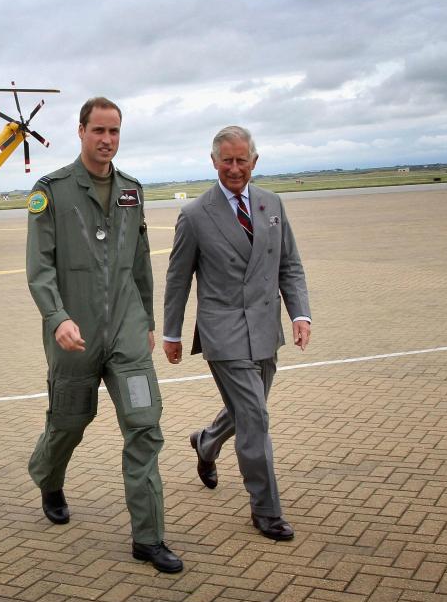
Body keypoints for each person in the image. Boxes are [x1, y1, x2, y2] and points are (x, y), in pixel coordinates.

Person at [25, 97, 182, 573]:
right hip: (73, 335)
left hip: (128, 334)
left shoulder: (132, 190)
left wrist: (149, 322)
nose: (107, 140)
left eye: (115, 131)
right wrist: (58, 318)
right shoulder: (50, 191)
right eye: (99, 130)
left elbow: (140, 265)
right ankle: (47, 476)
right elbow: (40, 267)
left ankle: (148, 537)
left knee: (144, 424)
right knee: (70, 421)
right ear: (80, 131)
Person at [162, 125, 311, 541]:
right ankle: (266, 510)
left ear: (254, 161)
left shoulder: (272, 204)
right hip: (222, 332)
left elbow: (289, 265)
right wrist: (172, 333)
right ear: (213, 162)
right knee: (256, 417)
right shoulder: (194, 214)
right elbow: (178, 279)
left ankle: (206, 442)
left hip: (266, 328)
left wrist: (301, 314)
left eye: (241, 159)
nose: (234, 168)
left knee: (249, 411)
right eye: (225, 160)